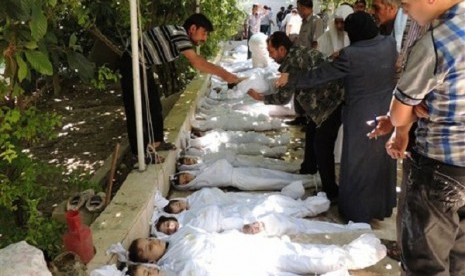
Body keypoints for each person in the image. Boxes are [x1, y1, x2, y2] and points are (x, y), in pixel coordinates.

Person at [374, 0, 465, 274]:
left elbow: (399, 114)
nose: (404, 10)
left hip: (440, 169)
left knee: (426, 264)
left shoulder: (436, 43)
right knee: (459, 259)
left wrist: (404, 117)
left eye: (405, 3)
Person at [280, 11, 397, 223]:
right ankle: (381, 207)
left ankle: (357, 212)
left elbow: (320, 75)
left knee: (357, 164)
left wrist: (292, 78)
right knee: (381, 160)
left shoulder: (351, 54)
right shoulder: (389, 44)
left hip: (360, 115)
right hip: (387, 113)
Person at [119, 13, 239, 163]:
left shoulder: (179, 34)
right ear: (193, 28)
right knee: (138, 110)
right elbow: (197, 63)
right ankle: (140, 154)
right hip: (132, 64)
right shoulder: (179, 34)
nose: (204, 38)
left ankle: (157, 142)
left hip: (143, 66)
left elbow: (198, 60)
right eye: (204, 33)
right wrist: (226, 75)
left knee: (155, 106)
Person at [247, 31, 343, 201]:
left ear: (282, 49)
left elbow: (283, 97)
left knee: (322, 145)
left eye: (271, 51)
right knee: (312, 131)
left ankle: (331, 191)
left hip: (331, 103)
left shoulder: (291, 63)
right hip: (327, 100)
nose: (270, 55)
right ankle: (308, 168)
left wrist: (261, 98)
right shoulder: (297, 52)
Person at [128, 226, 387, 275]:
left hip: (249, 248)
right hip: (243, 268)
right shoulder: (172, 266)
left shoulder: (184, 232)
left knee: (305, 256)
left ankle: (357, 254)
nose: (153, 244)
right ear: (152, 260)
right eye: (148, 250)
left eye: (148, 240)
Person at [170, 159, 317, 191]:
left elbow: (221, 163)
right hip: (239, 180)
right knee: (276, 182)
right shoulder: (200, 184)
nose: (186, 178)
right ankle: (313, 182)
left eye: (184, 175)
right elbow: (221, 172)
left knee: (274, 174)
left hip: (239, 171)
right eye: (184, 181)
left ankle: (310, 177)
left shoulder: (201, 170)